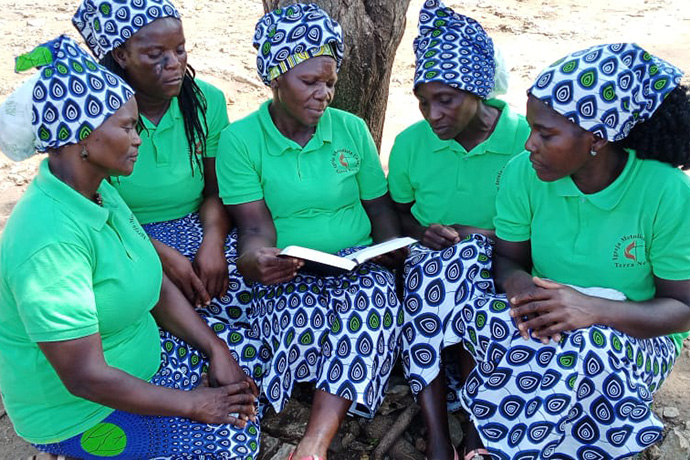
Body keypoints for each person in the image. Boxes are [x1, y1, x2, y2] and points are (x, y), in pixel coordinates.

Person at [0, 36, 265, 459]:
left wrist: (215, 347)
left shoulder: (100, 192)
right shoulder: (48, 242)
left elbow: (153, 282)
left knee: (244, 378)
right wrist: (194, 404)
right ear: (81, 139)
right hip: (80, 411)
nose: (138, 138)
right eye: (126, 127)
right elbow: (84, 377)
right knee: (223, 444)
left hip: (142, 362)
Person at [455, 43, 690, 458]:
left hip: (631, 331)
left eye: (546, 134)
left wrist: (592, 310)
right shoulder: (523, 175)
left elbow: (681, 309)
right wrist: (523, 290)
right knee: (485, 308)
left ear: (597, 139)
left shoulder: (664, 191)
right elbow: (509, 257)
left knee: (584, 349)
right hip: (548, 311)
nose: (529, 145)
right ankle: (485, 441)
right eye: (530, 129)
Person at [215, 4, 405, 459]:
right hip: (290, 268)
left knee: (371, 308)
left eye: (330, 83)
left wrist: (388, 251)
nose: (323, 94)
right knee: (303, 323)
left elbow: (379, 212)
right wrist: (258, 262)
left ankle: (314, 443)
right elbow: (255, 230)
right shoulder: (242, 141)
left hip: (357, 264)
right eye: (309, 82)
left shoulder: (352, 130)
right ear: (276, 78)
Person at [387, 2, 530, 458]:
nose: (433, 114)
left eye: (445, 99)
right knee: (446, 266)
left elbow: (542, 226)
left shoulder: (525, 143)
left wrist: (484, 238)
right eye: (423, 102)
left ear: (478, 91)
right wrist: (422, 232)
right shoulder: (413, 144)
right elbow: (399, 210)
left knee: (467, 269)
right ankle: (439, 436)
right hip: (433, 269)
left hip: (508, 266)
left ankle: (475, 431)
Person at [72, 0, 252, 324]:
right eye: (156, 55)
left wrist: (213, 241)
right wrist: (157, 253)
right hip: (121, 239)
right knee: (156, 310)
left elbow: (215, 191)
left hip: (199, 225)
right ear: (121, 55)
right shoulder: (96, 119)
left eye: (180, 49)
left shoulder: (206, 103)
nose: (174, 64)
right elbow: (91, 212)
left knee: (249, 291)